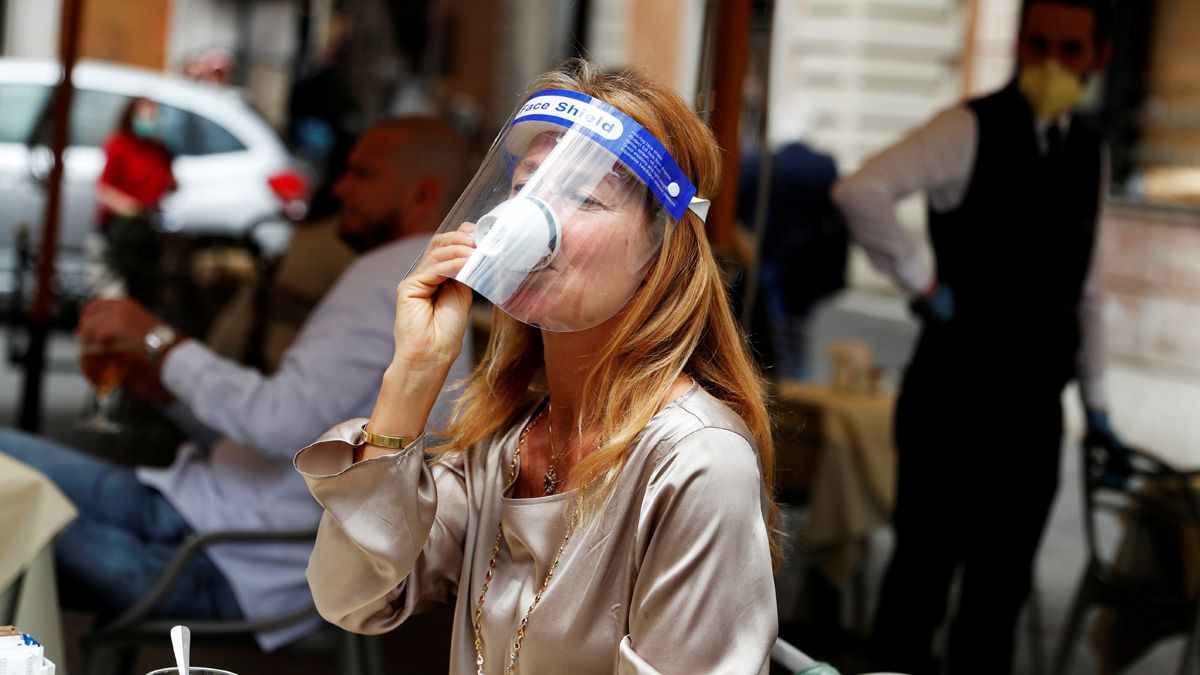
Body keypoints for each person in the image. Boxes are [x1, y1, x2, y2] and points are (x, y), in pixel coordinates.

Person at [295, 59, 780, 673]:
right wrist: (414, 373)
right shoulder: (504, 445)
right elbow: (350, 598)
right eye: (525, 188)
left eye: (583, 197)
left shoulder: (697, 460)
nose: (533, 217)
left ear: (659, 247)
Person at [0, 116, 474, 651]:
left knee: (8, 513)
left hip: (217, 561)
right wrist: (166, 390)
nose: (339, 187)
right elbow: (287, 439)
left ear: (422, 195)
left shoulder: (394, 280)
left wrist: (159, 341)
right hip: (191, 510)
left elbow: (278, 422)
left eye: (362, 174)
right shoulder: (402, 279)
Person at [832, 1, 1121, 672]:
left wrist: (1099, 404)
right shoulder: (967, 128)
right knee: (920, 582)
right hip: (952, 400)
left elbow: (1089, 287)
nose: (1050, 63)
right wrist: (922, 283)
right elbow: (861, 191)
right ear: (1018, 45)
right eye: (1038, 45)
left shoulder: (1090, 152)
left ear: (1099, 59)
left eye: (1069, 50)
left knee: (1000, 595)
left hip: (1034, 411)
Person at [738, 141, 844, 380]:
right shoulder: (821, 169)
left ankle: (785, 382)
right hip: (806, 267)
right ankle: (796, 381)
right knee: (795, 334)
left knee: (769, 336)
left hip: (769, 262)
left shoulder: (759, 166)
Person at [88, 96, 176, 298]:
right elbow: (103, 190)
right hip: (117, 232)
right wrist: (128, 207)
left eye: (153, 117)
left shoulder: (159, 151)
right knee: (112, 294)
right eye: (145, 116)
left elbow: (169, 184)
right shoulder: (119, 145)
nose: (149, 122)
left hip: (145, 236)